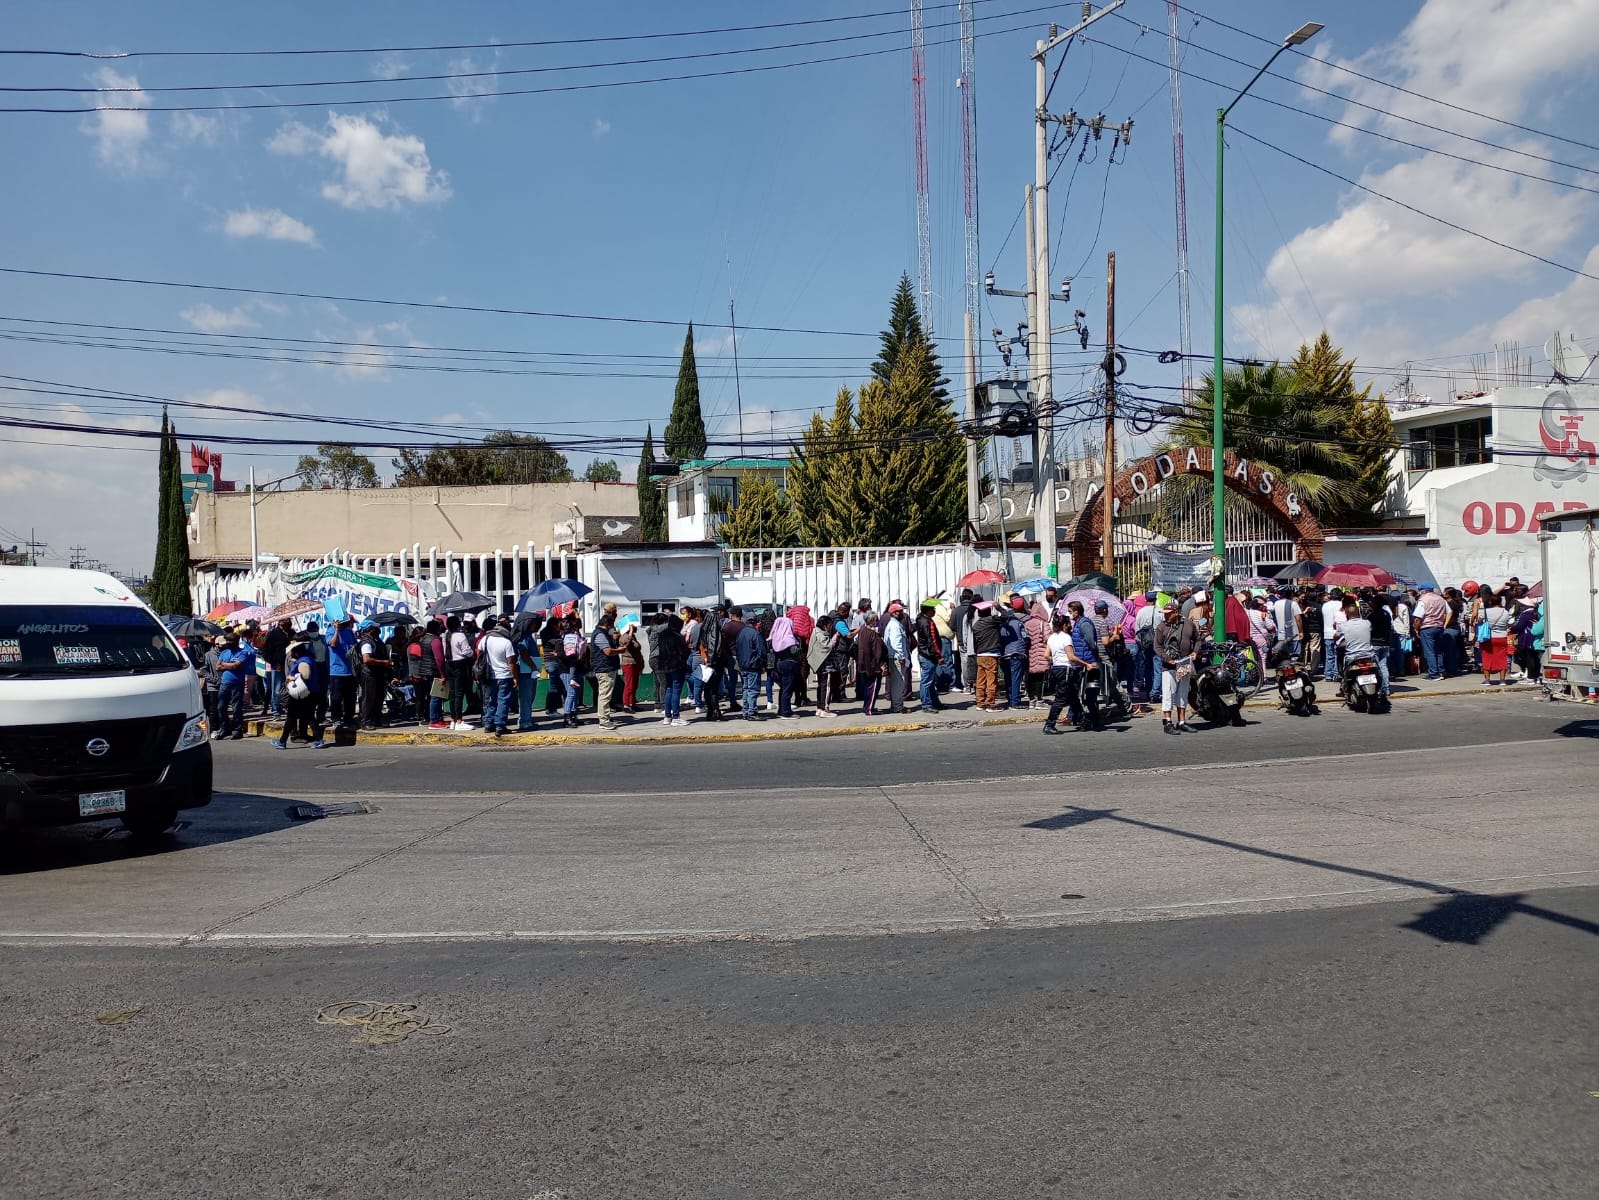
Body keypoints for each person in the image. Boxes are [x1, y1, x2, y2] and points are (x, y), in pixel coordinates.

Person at [272, 634, 326, 750]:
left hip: (303, 694)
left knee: (295, 717)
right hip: (308, 693)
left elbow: (305, 675)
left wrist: (291, 678)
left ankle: (282, 741)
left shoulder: (304, 662)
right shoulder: (305, 659)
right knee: (307, 717)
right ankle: (317, 740)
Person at [1154, 599, 1195, 734]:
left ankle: (1182, 721)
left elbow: (1198, 639)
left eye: (1168, 613)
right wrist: (1167, 658)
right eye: (1164, 613)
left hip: (1185, 664)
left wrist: (1195, 651)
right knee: (1168, 693)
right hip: (1169, 666)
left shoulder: (1189, 624)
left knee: (1182, 694)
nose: (1165, 616)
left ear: (1176, 612)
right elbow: (1157, 647)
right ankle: (1168, 722)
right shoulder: (1162, 627)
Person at [1336, 599, 1386, 698]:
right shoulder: (1367, 623)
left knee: (1343, 666)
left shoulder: (1344, 626)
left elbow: (1336, 636)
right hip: (1369, 655)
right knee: (1379, 671)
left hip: (1352, 657)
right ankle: (1383, 689)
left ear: (1346, 614)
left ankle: (1343, 685)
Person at [477, 616, 518, 736]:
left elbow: (479, 653)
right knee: (503, 700)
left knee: (491, 700)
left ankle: (489, 724)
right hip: (504, 675)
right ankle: (500, 725)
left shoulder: (485, 639)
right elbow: (511, 662)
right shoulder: (506, 642)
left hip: (489, 675)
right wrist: (515, 677)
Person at [212, 629, 254, 740]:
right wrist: (230, 665)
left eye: (230, 641)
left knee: (236, 708)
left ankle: (237, 730)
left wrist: (225, 665)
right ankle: (224, 729)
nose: (227, 643)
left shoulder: (243, 652)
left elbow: (237, 666)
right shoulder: (224, 652)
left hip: (237, 684)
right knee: (221, 707)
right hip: (225, 683)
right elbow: (217, 667)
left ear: (235, 641)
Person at [731, 607, 767, 720]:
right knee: (753, 689)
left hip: (743, 665)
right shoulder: (755, 634)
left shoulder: (741, 633)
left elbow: (737, 648)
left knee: (746, 689)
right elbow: (761, 651)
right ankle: (752, 712)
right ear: (755, 621)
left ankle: (746, 711)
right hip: (752, 665)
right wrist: (762, 664)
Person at [326, 616, 359, 732]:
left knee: (350, 697)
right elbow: (333, 644)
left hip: (350, 670)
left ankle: (349, 717)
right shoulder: (331, 630)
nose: (351, 624)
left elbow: (354, 646)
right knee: (336, 697)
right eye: (350, 622)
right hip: (337, 671)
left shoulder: (349, 632)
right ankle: (336, 718)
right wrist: (337, 630)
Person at [357, 620, 392, 729]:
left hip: (379, 674)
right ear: (370, 630)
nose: (378, 630)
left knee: (378, 698)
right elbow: (367, 659)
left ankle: (376, 720)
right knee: (369, 698)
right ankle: (366, 722)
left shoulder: (377, 641)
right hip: (369, 674)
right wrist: (384, 663)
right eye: (375, 628)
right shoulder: (367, 643)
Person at [589, 611, 622, 729]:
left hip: (607, 667)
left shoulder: (603, 634)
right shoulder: (599, 634)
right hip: (604, 668)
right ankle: (603, 720)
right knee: (604, 694)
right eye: (612, 625)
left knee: (606, 694)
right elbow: (607, 651)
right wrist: (620, 650)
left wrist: (614, 639)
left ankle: (605, 716)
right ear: (607, 624)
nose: (613, 628)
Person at [444, 615, 476, 731]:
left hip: (448, 663)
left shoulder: (446, 635)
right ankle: (459, 720)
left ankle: (453, 719)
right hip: (459, 664)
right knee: (459, 693)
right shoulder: (460, 635)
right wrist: (472, 653)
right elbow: (467, 651)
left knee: (453, 693)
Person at [769, 611, 801, 720]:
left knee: (783, 689)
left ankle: (781, 709)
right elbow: (796, 653)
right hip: (789, 665)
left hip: (778, 665)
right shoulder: (790, 639)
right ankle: (786, 712)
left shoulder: (773, 639)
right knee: (787, 689)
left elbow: (771, 655)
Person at [971, 599, 1003, 711]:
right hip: (991, 653)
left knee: (980, 680)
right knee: (991, 680)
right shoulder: (991, 620)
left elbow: (975, 642)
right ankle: (990, 703)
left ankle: (980, 702)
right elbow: (1006, 617)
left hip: (980, 654)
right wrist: (998, 607)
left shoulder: (976, 625)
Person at [914, 601, 945, 712]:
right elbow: (932, 641)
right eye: (933, 609)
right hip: (928, 655)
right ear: (928, 610)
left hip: (924, 654)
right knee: (927, 681)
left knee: (930, 681)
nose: (935, 611)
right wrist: (938, 655)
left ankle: (934, 702)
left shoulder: (920, 619)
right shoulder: (927, 622)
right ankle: (926, 705)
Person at [1478, 587, 1512, 686]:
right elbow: (1509, 623)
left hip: (1488, 637)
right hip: (1502, 637)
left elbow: (1479, 621)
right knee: (1502, 658)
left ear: (1490, 602)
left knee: (1486, 657)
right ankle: (1502, 680)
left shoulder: (1486, 611)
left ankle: (1487, 680)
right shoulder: (1505, 612)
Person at [999, 596, 1027, 711]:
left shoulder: (1003, 624)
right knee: (1016, 678)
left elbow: (1001, 638)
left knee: (1008, 678)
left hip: (1005, 654)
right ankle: (1015, 703)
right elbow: (1026, 637)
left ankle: (1010, 699)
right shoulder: (1020, 623)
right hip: (1018, 652)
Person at [698, 604, 727, 721]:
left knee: (707, 687)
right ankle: (715, 711)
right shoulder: (715, 629)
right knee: (714, 688)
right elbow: (714, 644)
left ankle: (711, 710)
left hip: (706, 660)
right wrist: (711, 659)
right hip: (714, 661)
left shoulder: (703, 628)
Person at [882, 601, 911, 713]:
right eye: (899, 611)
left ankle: (895, 705)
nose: (901, 613)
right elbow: (896, 643)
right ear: (894, 613)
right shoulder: (895, 626)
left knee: (895, 683)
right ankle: (898, 706)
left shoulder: (893, 624)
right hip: (896, 657)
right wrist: (901, 656)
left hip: (893, 656)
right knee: (898, 683)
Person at [854, 613, 886, 716]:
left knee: (868, 686)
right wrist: (882, 665)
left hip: (864, 663)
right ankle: (869, 708)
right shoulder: (872, 634)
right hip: (873, 665)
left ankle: (867, 706)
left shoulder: (862, 630)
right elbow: (877, 652)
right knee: (873, 687)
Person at [1024, 599, 1051, 708]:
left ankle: (1031, 699)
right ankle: (1039, 700)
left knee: (1030, 677)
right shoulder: (1043, 624)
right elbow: (1048, 638)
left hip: (1029, 654)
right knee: (1040, 678)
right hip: (1041, 653)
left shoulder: (1026, 623)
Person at [262, 617, 291, 717]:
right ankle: (276, 709)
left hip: (289, 664)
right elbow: (265, 651)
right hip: (277, 666)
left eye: (288, 620)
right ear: (280, 622)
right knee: (277, 689)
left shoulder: (291, 632)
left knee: (289, 687)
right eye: (285, 621)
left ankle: (287, 707)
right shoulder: (273, 634)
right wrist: (275, 663)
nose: (287, 622)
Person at [617, 619, 644, 713]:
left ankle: (632, 703)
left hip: (636, 663)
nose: (635, 627)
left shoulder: (633, 636)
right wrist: (630, 632)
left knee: (634, 685)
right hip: (628, 663)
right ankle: (626, 705)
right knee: (629, 685)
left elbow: (638, 649)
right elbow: (625, 645)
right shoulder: (623, 637)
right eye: (632, 626)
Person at [1321, 588, 1347, 681]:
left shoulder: (1325, 605)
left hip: (1327, 632)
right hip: (1339, 633)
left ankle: (1328, 674)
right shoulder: (1342, 605)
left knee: (1329, 655)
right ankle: (1337, 673)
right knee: (1338, 655)